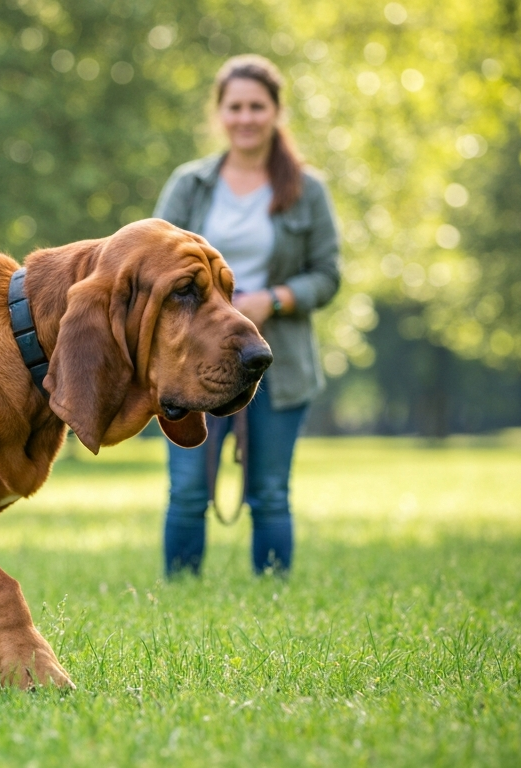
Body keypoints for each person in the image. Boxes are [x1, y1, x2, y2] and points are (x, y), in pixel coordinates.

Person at [152, 55, 340, 577]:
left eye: (257, 106)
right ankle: (180, 597)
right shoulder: (189, 185)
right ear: (221, 113)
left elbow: (328, 275)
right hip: (193, 359)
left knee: (270, 493)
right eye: (235, 106)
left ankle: (274, 598)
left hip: (278, 364)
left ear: (276, 112)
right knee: (187, 490)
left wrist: (273, 299)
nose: (246, 117)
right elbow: (151, 261)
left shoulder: (308, 189)